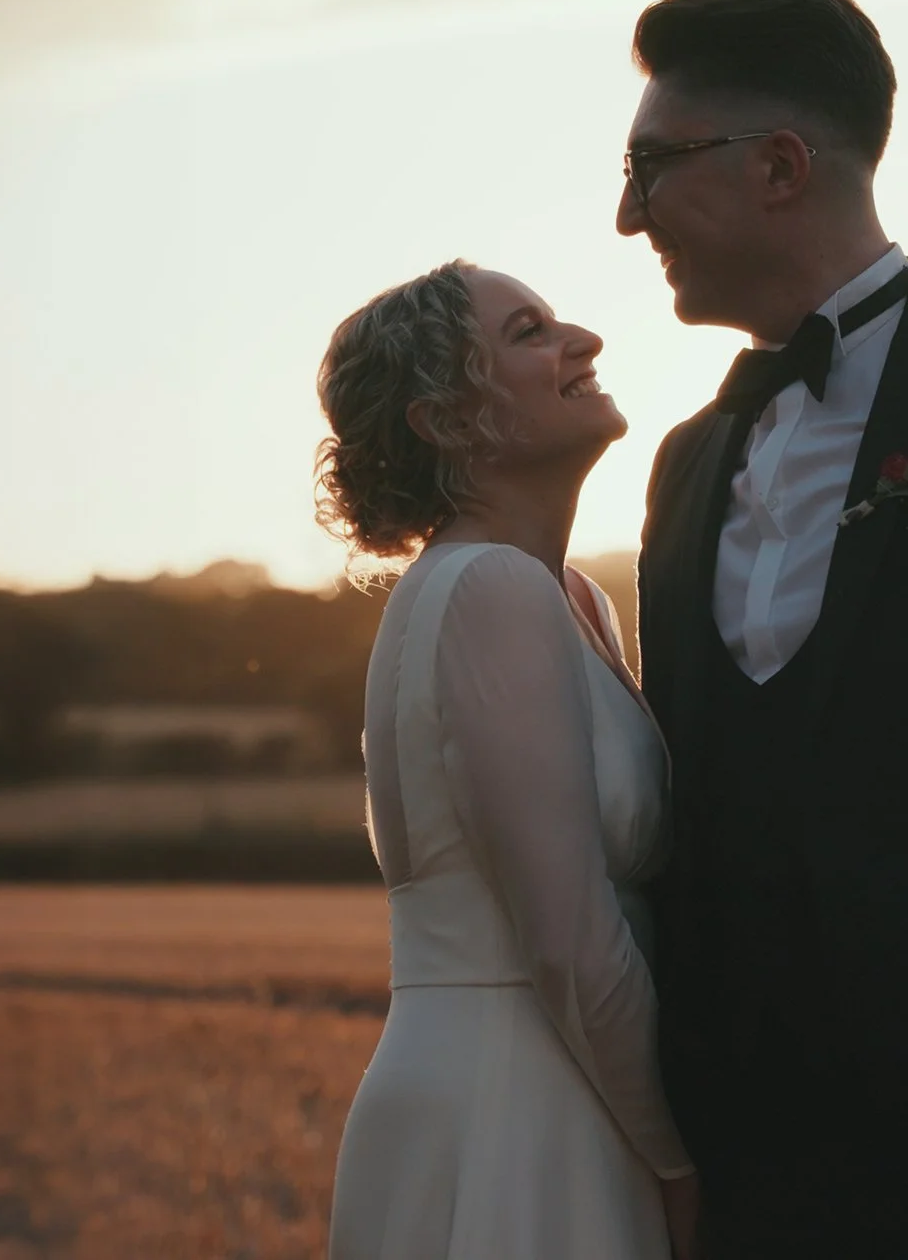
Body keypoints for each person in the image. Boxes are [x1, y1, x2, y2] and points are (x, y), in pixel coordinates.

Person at [618, 0, 908, 1259]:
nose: (624, 213)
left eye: (649, 167)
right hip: (753, 1169)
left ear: (777, 166)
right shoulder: (687, 460)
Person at [315, 261, 697, 1260]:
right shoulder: (491, 589)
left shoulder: (570, 596)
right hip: (522, 1110)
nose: (583, 342)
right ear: (446, 419)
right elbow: (569, 940)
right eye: (530, 331)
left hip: (544, 1084)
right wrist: (680, 1161)